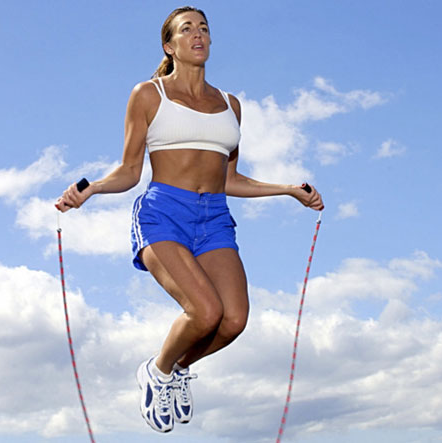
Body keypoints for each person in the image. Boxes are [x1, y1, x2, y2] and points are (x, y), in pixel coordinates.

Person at [56, 5, 324, 434]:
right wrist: (88, 192)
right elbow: (129, 171)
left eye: (204, 28)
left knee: (233, 320)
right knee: (204, 311)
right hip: (163, 211)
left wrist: (287, 190)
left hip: (214, 217)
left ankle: (178, 367)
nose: (198, 34)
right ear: (170, 45)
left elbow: (229, 178)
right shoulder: (149, 94)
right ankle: (157, 370)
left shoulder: (230, 105)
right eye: (187, 29)